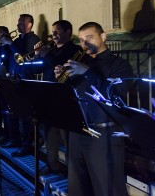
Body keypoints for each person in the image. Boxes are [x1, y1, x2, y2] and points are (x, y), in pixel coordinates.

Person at [55, 22, 133, 196]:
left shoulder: (120, 65)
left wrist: (87, 73)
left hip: (104, 136)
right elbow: (71, 94)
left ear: (103, 37)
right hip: (78, 132)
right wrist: (63, 77)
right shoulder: (81, 63)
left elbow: (114, 96)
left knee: (108, 189)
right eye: (81, 40)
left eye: (89, 37)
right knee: (78, 188)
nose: (85, 44)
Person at [33, 20, 81, 173]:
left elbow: (62, 66)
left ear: (68, 32)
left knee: (67, 137)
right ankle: (52, 163)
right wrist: (36, 55)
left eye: (58, 30)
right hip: (49, 96)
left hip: (65, 97)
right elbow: (38, 68)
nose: (53, 34)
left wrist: (47, 54)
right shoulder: (51, 50)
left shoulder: (75, 50)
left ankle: (72, 171)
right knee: (50, 132)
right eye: (53, 31)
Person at [2, 14, 41, 157]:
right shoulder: (18, 40)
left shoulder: (34, 40)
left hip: (25, 80)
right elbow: (11, 57)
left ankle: (27, 146)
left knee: (25, 117)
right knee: (14, 113)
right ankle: (15, 140)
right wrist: (5, 44)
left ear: (30, 24)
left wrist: (11, 44)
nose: (17, 26)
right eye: (18, 23)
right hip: (13, 79)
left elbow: (24, 57)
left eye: (21, 23)